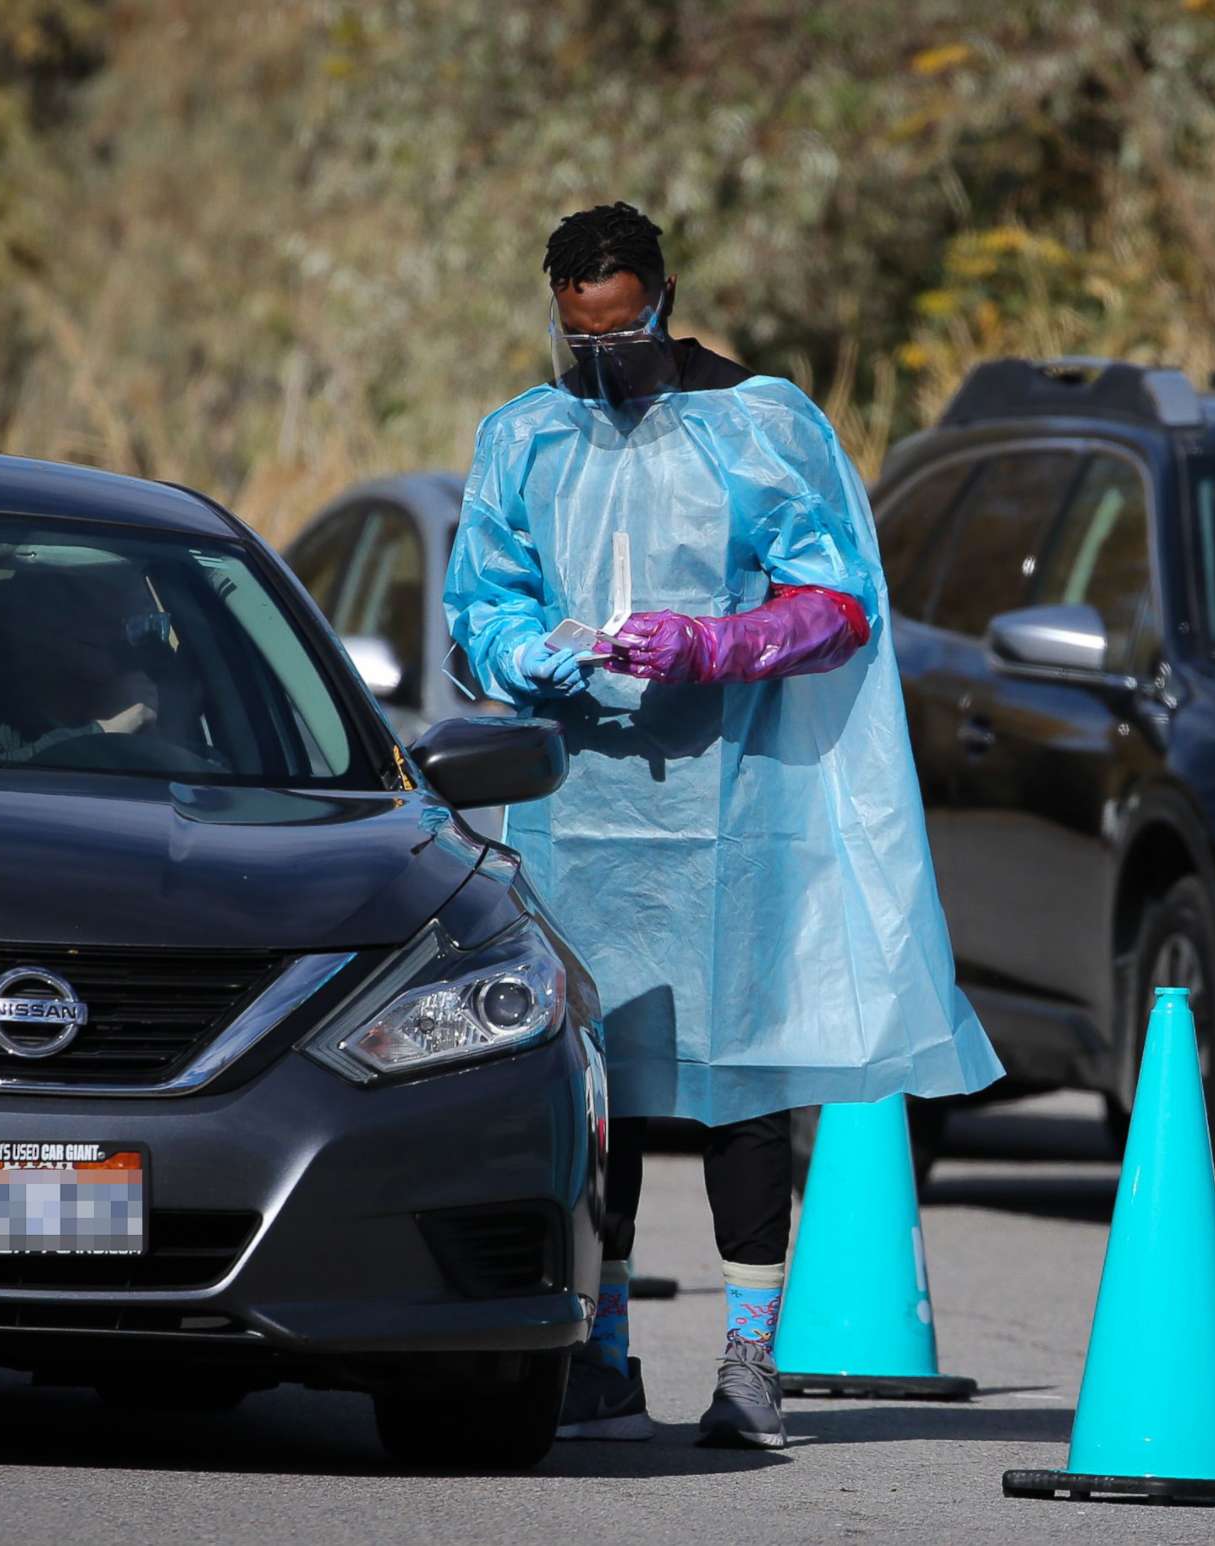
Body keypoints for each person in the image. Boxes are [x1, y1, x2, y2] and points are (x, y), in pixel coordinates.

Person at [444, 202, 1001, 1448]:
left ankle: (751, 1362)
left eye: (625, 332)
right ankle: (604, 1348)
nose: (604, 361)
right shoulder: (527, 439)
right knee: (604, 1091)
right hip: (573, 815)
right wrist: (534, 652)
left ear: (666, 299)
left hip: (730, 811)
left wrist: (719, 642)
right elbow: (482, 597)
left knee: (739, 1084)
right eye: (579, 337)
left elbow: (837, 601)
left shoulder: (758, 426)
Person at [0, 571, 169, 763]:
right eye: (99, 615)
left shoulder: (155, 712)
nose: (126, 638)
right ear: (33, 634)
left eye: (140, 623)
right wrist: (103, 733)